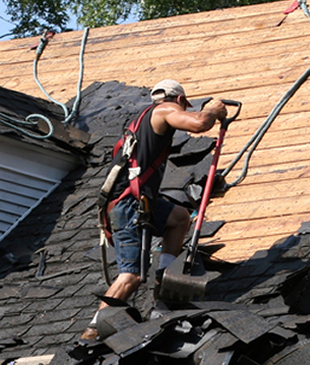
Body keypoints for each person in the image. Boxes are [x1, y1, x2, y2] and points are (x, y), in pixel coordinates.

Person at [81, 80, 227, 340]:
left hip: (138, 201)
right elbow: (199, 124)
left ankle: (164, 285)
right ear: (179, 100)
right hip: (128, 203)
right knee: (132, 275)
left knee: (179, 218)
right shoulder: (163, 110)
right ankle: (92, 331)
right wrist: (212, 111)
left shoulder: (146, 122)